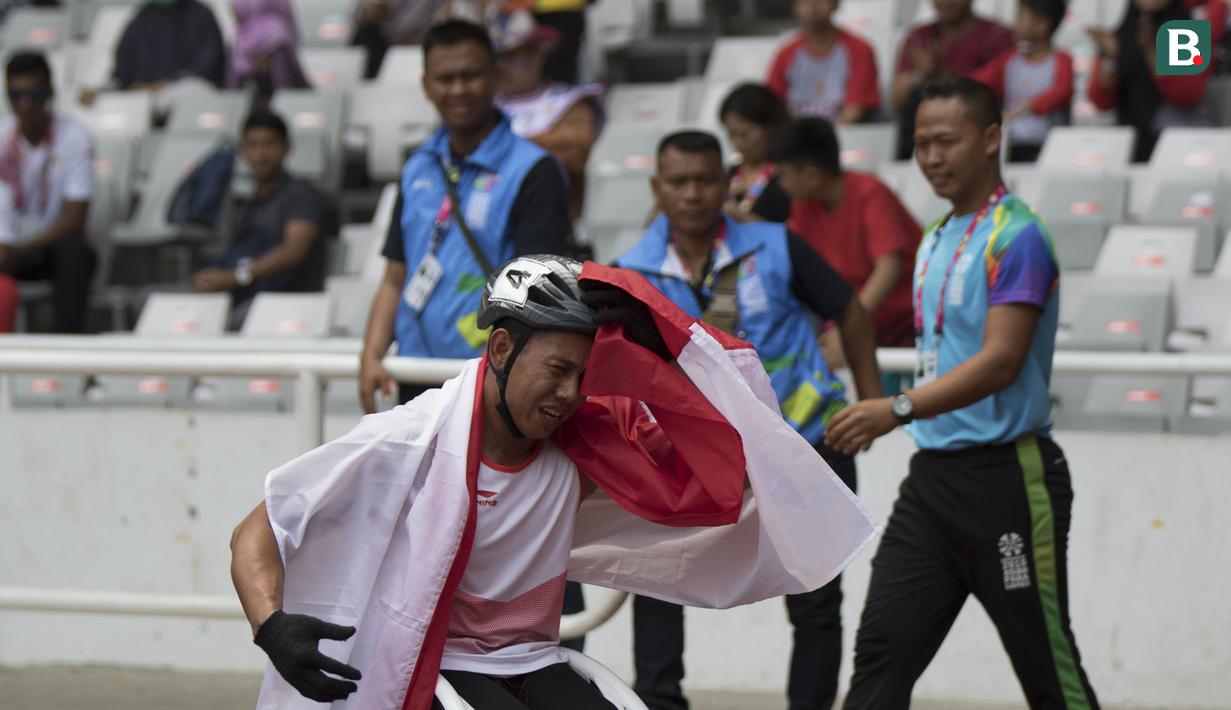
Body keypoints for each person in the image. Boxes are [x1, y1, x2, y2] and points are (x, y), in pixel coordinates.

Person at [231, 255, 878, 710]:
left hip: (535, 660)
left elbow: (733, 457)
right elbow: (257, 531)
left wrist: (664, 350)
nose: (570, 394)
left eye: (584, 375)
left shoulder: (587, 438)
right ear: (502, 350)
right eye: (557, 370)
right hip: (438, 660)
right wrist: (273, 629)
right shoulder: (407, 440)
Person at [826, 77, 1100, 709]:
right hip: (932, 484)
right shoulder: (936, 236)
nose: (931, 157)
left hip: (1009, 482)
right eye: (921, 143)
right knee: (880, 658)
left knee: (1046, 669)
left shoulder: (1016, 235)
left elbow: (1002, 361)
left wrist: (895, 408)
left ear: (992, 138)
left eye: (946, 141)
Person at [616, 130, 883, 710]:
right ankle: (660, 702)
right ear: (657, 187)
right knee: (655, 581)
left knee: (816, 599)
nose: (692, 193)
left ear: (727, 183)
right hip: (689, 461)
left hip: (804, 445)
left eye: (705, 179)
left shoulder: (777, 244)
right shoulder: (630, 272)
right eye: (679, 181)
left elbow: (850, 309)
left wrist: (871, 400)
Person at [358, 19, 572, 413]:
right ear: (426, 85)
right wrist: (371, 355)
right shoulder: (418, 166)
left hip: (491, 381)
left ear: (495, 77)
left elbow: (538, 296)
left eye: (470, 76)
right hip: (414, 374)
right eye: (445, 78)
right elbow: (394, 276)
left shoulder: (534, 171)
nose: (458, 89)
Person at [771, 117, 920, 387]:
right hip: (865, 327)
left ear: (811, 176)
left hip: (911, 326)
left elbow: (888, 268)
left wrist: (848, 329)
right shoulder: (804, 206)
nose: (780, 184)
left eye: (783, 174)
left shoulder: (870, 193)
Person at [191, 110, 329, 324]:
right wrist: (213, 279)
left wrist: (236, 277)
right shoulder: (245, 202)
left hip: (286, 302)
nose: (261, 154)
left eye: (269, 144)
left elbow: (294, 251)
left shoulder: (302, 194)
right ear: (242, 150)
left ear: (286, 147)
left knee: (238, 319)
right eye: (253, 145)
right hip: (244, 295)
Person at [0, 52, 95, 334]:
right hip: (8, 243)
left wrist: (20, 249)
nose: (25, 104)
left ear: (49, 92)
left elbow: (74, 220)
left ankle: (68, 346)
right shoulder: (3, 136)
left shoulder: (74, 137)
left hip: (49, 247)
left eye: (33, 94)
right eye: (15, 95)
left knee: (74, 252)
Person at [494, 9, 603, 221]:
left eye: (512, 57)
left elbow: (573, 150)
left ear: (538, 55)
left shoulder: (570, 102)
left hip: (552, 216)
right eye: (498, 58)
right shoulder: (483, 105)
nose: (502, 67)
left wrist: (496, 150)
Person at [1086, 0, 1214, 162]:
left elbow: (1187, 95)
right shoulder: (1121, 36)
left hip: (1179, 145)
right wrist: (1110, 59)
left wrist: (1151, 52)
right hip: (1129, 141)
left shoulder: (1188, 35)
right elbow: (1101, 101)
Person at [891, 0, 1012, 158]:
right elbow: (898, 100)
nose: (945, 2)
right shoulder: (919, 37)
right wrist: (922, 74)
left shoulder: (997, 36)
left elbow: (995, 97)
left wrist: (943, 75)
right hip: (917, 142)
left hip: (977, 141)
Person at [970, 0, 1072, 163]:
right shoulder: (1010, 59)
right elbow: (978, 81)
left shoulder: (1061, 60)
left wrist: (1029, 107)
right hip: (1012, 143)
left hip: (1048, 146)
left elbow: (1061, 90)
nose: (1014, 24)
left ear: (1041, 25)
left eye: (1020, 17)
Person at [79, 0, 227, 113]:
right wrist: (102, 91)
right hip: (139, 102)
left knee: (190, 90)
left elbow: (207, 67)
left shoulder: (201, 15)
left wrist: (164, 85)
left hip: (180, 97)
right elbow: (122, 72)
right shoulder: (142, 17)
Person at [766, 0, 881, 123]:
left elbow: (855, 111)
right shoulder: (785, 53)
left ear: (836, 4)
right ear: (795, 7)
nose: (812, 5)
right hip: (797, 132)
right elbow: (771, 106)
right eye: (804, 1)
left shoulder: (860, 50)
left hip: (845, 132)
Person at [718, 83, 792, 224]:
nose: (738, 143)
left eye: (744, 134)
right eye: (731, 135)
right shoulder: (731, 173)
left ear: (770, 128)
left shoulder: (788, 177)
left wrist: (739, 216)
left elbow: (793, 231)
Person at [228, 0, 311, 100]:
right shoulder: (240, 39)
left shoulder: (276, 36)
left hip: (279, 106)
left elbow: (284, 90)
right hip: (258, 106)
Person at [352, 0, 449, 79]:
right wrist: (375, 9)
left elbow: (447, 18)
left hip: (418, 42)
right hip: (379, 40)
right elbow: (364, 15)